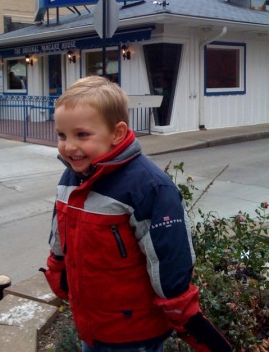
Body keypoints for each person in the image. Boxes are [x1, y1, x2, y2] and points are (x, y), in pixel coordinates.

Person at [41, 76, 231, 352]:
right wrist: (57, 268)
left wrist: (184, 313)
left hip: (134, 333)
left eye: (81, 134)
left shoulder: (148, 187)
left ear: (116, 133)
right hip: (92, 324)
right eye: (62, 135)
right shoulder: (72, 176)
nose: (69, 146)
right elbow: (60, 230)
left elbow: (169, 257)